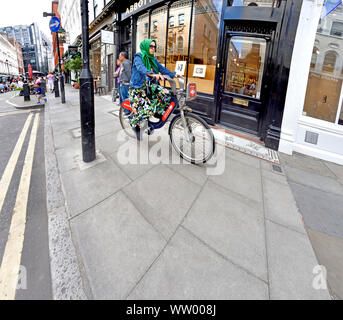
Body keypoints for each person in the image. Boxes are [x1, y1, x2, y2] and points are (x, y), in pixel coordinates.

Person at [129, 39, 180, 139]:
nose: (153, 49)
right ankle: (134, 124)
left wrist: (174, 74)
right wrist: (153, 74)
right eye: (151, 46)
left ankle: (158, 113)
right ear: (145, 47)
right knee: (146, 111)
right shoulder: (138, 56)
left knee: (166, 94)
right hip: (137, 88)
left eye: (154, 47)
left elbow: (162, 69)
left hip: (148, 86)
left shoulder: (153, 59)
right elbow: (140, 68)